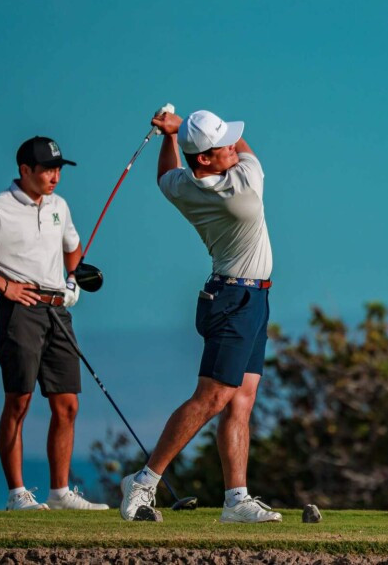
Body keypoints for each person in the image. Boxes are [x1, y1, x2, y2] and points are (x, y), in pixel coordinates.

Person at [119, 109, 281, 523]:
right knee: (211, 398)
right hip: (234, 300)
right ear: (206, 159)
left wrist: (171, 137)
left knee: (240, 400)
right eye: (223, 144)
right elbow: (249, 154)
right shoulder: (243, 189)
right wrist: (178, 131)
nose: (233, 146)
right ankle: (142, 484)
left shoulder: (183, 187)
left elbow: (164, 177)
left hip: (248, 299)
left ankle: (236, 499)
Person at [0, 136, 107, 512]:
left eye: (58, 170)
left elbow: (73, 245)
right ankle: (17, 494)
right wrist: (4, 285)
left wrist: (71, 280)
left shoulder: (59, 206)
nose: (55, 177)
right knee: (18, 401)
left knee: (67, 404)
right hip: (21, 312)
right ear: (25, 170)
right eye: (48, 170)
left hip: (58, 310)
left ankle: (60, 492)